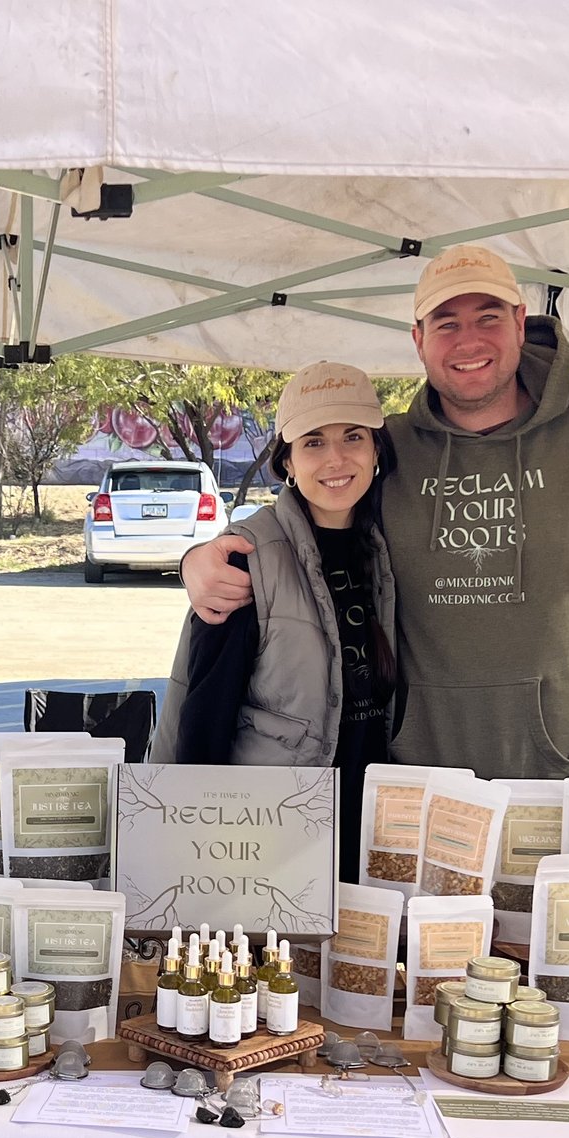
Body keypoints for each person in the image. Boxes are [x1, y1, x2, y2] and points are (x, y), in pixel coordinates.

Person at [181, 247, 569, 842]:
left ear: (522, 323)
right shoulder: (388, 448)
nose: (468, 341)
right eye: (446, 324)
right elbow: (308, 518)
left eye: (488, 317)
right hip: (419, 798)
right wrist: (206, 554)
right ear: (418, 339)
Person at [150, 363, 397, 880]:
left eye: (353, 437)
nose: (336, 458)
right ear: (286, 461)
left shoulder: (391, 545)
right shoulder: (244, 557)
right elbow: (203, 718)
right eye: (313, 442)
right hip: (266, 835)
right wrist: (192, 847)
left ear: (377, 449)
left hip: (367, 820)